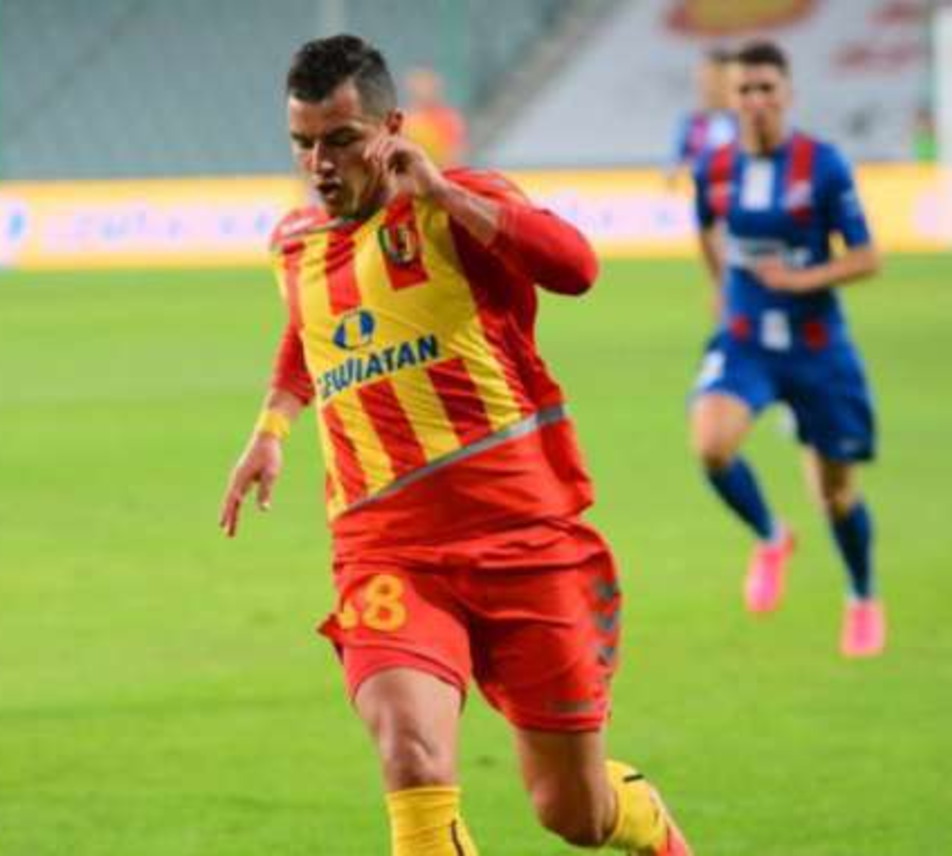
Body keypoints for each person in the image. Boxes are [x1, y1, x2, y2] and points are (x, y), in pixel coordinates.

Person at [221, 35, 689, 856]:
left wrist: (441, 191)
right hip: (385, 547)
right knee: (410, 758)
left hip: (522, 538)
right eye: (303, 143)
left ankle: (645, 821)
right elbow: (310, 331)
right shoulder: (294, 243)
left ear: (392, 128)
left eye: (340, 140)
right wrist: (271, 428)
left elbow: (576, 268)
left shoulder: (460, 202)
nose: (320, 165)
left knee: (573, 813)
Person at [688, 40, 884, 657]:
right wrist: (721, 289)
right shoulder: (714, 167)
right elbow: (705, 226)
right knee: (711, 445)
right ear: (732, 97)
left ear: (787, 94)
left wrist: (800, 281)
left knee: (835, 494)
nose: (755, 100)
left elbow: (866, 257)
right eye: (745, 90)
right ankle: (773, 537)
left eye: (766, 88)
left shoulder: (822, 166)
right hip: (747, 340)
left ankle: (862, 596)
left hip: (816, 348)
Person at [665, 48, 737, 188]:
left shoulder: (744, 123)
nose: (705, 83)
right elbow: (672, 168)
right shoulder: (689, 122)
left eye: (714, 76)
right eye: (703, 75)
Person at [402, 67, 468, 169]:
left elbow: (455, 156)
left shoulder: (448, 119)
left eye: (426, 83)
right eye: (419, 82)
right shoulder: (405, 121)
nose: (422, 88)